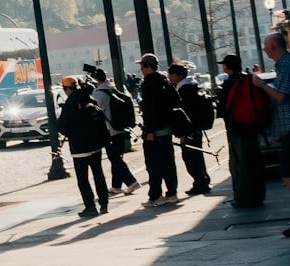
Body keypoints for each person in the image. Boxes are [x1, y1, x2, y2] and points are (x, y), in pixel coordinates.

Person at [219, 53, 267, 209]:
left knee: (240, 163)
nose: (223, 66)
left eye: (224, 64)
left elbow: (223, 108)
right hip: (251, 126)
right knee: (254, 161)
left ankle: (243, 197)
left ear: (228, 67)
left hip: (236, 127)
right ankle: (257, 195)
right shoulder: (248, 79)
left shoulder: (229, 83)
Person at [60, 76, 111, 218]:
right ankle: (104, 203)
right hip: (96, 144)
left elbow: (62, 126)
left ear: (66, 89)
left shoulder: (70, 103)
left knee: (83, 179)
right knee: (98, 175)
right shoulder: (89, 98)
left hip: (79, 147)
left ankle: (90, 207)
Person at [87, 64, 141, 196]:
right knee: (117, 158)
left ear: (95, 80)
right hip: (120, 127)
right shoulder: (112, 89)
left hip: (109, 130)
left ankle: (131, 182)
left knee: (115, 159)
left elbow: (97, 112)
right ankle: (116, 186)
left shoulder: (98, 93)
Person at [135, 53, 180, 204]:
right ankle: (172, 193)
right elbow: (176, 100)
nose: (141, 69)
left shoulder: (148, 83)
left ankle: (156, 195)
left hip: (154, 131)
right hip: (167, 128)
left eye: (142, 66)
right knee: (168, 163)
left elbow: (149, 110)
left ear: (147, 67)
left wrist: (149, 131)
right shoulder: (164, 80)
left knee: (153, 165)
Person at [257, 30, 290, 236]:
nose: (264, 49)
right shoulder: (283, 64)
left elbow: (280, 97)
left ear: (273, 47)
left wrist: (261, 85)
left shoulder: (286, 64)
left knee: (287, 175)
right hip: (286, 128)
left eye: (266, 46)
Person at [168, 62, 215, 196]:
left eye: (171, 74)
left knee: (191, 158)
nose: (169, 77)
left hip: (190, 131)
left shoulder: (184, 91)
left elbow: (185, 114)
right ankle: (203, 181)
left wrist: (183, 133)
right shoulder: (192, 86)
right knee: (197, 157)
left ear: (178, 75)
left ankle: (200, 183)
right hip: (197, 129)